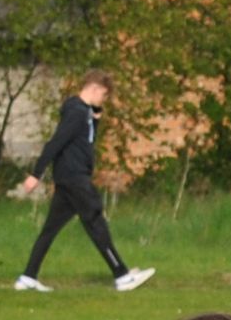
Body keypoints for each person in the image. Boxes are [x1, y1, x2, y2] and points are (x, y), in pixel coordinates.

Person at [13, 69, 154, 294]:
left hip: (71, 179)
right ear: (94, 88)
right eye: (104, 95)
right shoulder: (76, 112)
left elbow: (86, 141)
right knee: (96, 222)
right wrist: (36, 174)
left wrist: (96, 118)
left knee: (50, 229)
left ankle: (28, 277)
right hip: (74, 177)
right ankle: (122, 275)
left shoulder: (85, 113)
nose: (104, 100)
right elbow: (56, 143)